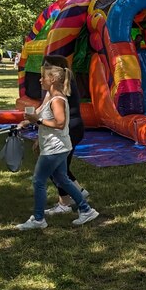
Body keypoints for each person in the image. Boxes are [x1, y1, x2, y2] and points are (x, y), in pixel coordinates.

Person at [16, 62, 98, 229]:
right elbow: (44, 119)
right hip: (56, 146)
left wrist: (37, 120)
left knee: (38, 181)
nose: (40, 80)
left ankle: (38, 219)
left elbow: (60, 123)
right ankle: (86, 209)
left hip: (55, 148)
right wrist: (28, 121)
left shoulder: (58, 100)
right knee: (62, 179)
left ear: (52, 79)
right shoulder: (51, 97)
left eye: (43, 77)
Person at [42, 55, 90, 216]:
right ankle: (78, 193)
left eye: (46, 68)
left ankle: (69, 202)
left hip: (69, 130)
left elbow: (56, 117)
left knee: (55, 168)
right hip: (74, 128)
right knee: (60, 167)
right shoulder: (66, 83)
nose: (42, 72)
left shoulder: (58, 87)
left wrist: (37, 121)